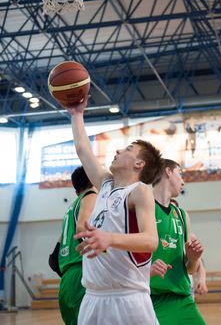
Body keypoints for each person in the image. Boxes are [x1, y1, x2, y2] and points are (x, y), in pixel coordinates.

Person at [67, 95, 163, 325]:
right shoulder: (105, 184)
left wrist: (109, 238)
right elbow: (83, 150)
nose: (119, 149)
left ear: (139, 164)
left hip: (128, 300)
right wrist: (77, 114)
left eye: (128, 149)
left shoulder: (139, 191)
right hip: (92, 298)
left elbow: (151, 241)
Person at [150, 158, 206, 325]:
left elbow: (190, 269)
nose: (183, 181)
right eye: (179, 174)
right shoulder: (143, 207)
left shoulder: (182, 215)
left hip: (182, 299)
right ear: (167, 171)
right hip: (149, 298)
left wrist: (194, 257)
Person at [48, 166, 97, 325]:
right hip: (83, 275)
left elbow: (53, 260)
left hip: (67, 282)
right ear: (94, 178)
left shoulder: (70, 209)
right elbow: (82, 229)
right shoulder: (91, 196)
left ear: (76, 192)